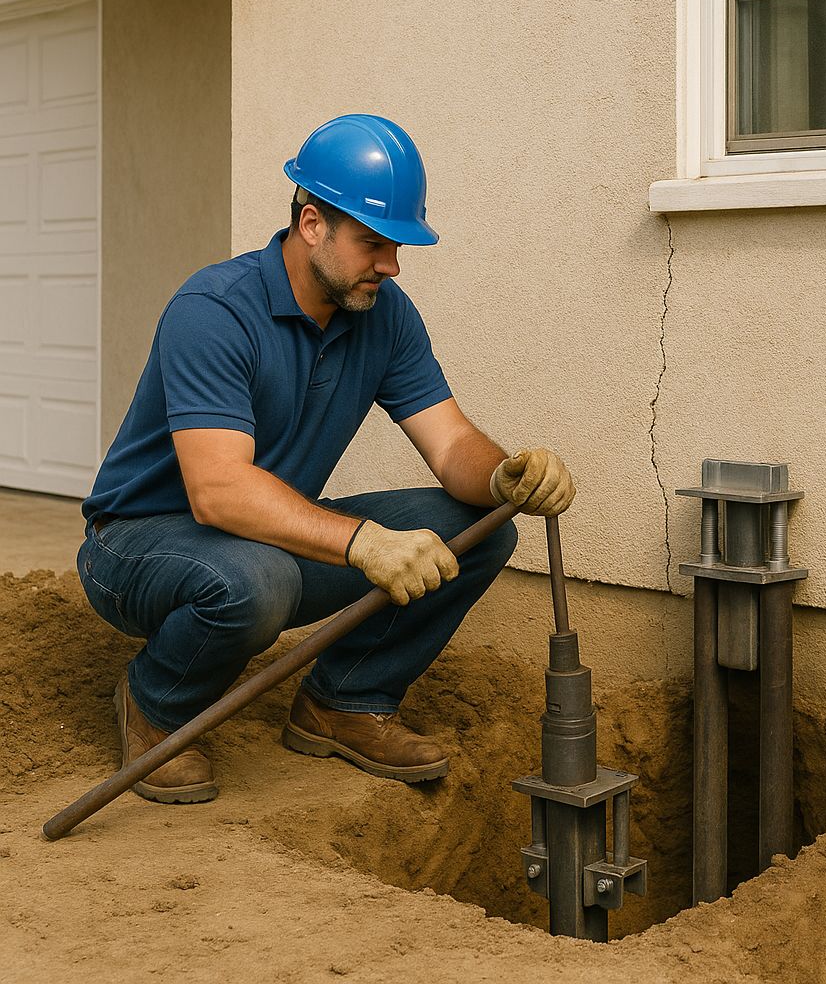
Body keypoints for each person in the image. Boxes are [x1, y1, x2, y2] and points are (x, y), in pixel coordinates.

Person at [77, 114, 574, 805]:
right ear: (313, 224)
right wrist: (362, 543)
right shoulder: (214, 310)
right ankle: (156, 705)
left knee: (480, 525)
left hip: (262, 538)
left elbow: (451, 442)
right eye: (375, 244)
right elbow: (217, 492)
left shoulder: (383, 314)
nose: (392, 266)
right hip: (135, 544)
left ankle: (345, 701)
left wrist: (503, 476)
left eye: (398, 246)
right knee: (257, 581)